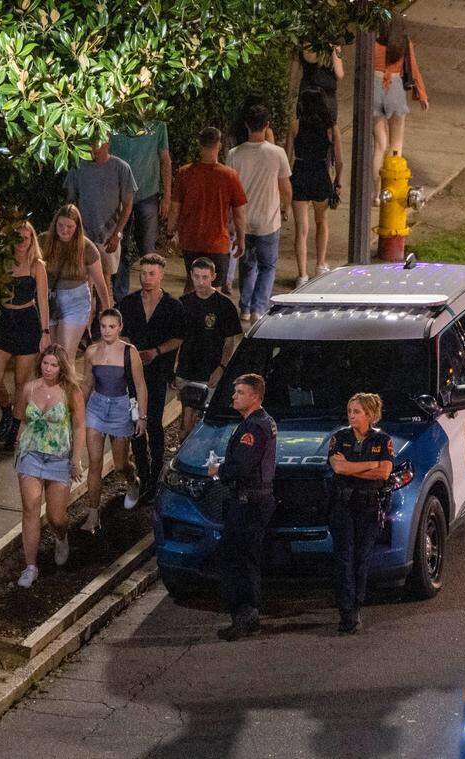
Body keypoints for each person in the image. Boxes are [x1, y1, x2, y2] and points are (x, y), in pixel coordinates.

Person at [207, 374, 277, 641]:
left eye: (239, 392)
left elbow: (243, 467)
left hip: (248, 502)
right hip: (255, 500)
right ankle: (248, 615)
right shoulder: (262, 422)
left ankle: (244, 616)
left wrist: (218, 469)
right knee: (245, 559)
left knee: (238, 561)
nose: (234, 396)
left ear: (255, 397)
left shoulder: (253, 428)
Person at [14, 345, 86, 588]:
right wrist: (18, 444)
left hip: (58, 459)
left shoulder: (70, 391)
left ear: (62, 367)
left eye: (54, 365)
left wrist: (76, 459)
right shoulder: (29, 388)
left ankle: (61, 537)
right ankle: (31, 566)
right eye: (45, 363)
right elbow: (23, 420)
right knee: (30, 508)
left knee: (57, 517)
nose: (48, 368)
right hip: (31, 455)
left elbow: (78, 426)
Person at [118, 254, 187, 493]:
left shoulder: (172, 306)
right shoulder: (128, 304)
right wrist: (133, 352)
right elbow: (121, 332)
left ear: (161, 275)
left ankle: (157, 471)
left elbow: (179, 337)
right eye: (143, 273)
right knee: (136, 421)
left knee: (154, 422)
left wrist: (157, 352)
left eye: (151, 273)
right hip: (133, 373)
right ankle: (144, 473)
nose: (146, 278)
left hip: (158, 371)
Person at [328, 393, 394, 634]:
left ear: (369, 414)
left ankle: (357, 605)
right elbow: (337, 466)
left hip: (368, 506)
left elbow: (384, 473)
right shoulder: (339, 438)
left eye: (356, 411)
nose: (351, 416)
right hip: (343, 506)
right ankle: (346, 612)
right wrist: (370, 465)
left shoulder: (383, 440)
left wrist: (350, 468)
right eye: (349, 411)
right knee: (344, 559)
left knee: (361, 559)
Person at [81, 309, 148, 532]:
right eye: (103, 326)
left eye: (112, 326)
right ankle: (92, 514)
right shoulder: (91, 352)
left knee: (120, 464)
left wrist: (142, 417)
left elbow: (140, 386)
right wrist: (77, 412)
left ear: (120, 327)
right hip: (97, 408)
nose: (107, 330)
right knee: (95, 464)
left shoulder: (130, 352)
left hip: (120, 409)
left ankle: (133, 481)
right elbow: (87, 384)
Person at [227, 104, 292, 322]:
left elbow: (229, 191)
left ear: (246, 125)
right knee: (267, 266)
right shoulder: (277, 154)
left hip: (243, 221)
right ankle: (259, 307)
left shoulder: (234, 155)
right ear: (267, 126)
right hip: (268, 221)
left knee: (247, 265)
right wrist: (285, 208)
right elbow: (286, 188)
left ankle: (244, 307)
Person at [0, 221, 51, 449]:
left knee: (21, 381)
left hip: (27, 321)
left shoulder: (37, 265)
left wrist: (45, 332)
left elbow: (43, 301)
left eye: (26, 238)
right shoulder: (2, 262)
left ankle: (15, 427)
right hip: (4, 320)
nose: (22, 242)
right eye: (18, 237)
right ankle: (6, 409)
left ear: (32, 239)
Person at [168, 127, 248, 292]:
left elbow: (175, 208)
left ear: (199, 144)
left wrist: (171, 233)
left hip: (191, 240)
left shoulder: (184, 173)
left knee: (191, 284)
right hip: (217, 242)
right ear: (219, 145)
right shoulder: (229, 176)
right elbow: (239, 214)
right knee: (215, 288)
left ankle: (187, 316)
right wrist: (241, 239)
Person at [176, 258, 243, 438]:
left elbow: (230, 341)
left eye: (205, 277)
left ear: (213, 276)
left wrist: (222, 367)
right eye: (197, 277)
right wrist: (175, 369)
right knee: (186, 420)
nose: (201, 282)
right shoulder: (183, 303)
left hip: (211, 371)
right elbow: (177, 338)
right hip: (187, 370)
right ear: (191, 276)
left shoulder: (225, 305)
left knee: (209, 420)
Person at [65, 141, 137, 300]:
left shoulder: (121, 168)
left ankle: (106, 318)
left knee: (105, 280)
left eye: (94, 144)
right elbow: (70, 202)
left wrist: (117, 234)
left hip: (108, 233)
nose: (91, 148)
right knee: (84, 281)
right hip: (84, 233)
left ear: (106, 143)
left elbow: (127, 205)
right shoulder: (77, 167)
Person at [110, 122, 171, 300]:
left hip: (147, 193)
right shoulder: (117, 119)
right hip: (119, 194)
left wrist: (167, 195)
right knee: (119, 246)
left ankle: (150, 295)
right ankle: (121, 297)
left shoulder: (157, 123)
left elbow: (165, 158)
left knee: (148, 249)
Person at [39, 204, 112, 357]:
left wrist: (106, 311)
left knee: (65, 354)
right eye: (61, 225)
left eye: (70, 226)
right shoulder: (43, 240)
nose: (65, 230)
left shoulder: (87, 248)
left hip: (75, 301)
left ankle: (67, 380)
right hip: (50, 299)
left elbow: (100, 283)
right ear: (55, 224)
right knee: (50, 353)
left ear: (77, 227)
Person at [290, 88, 343, 287]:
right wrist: (337, 180)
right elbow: (339, 160)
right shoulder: (331, 128)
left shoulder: (296, 125)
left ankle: (302, 274)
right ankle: (320, 264)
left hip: (301, 172)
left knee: (301, 229)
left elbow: (288, 156)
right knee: (321, 221)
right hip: (320, 173)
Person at [373, 17, 429, 197]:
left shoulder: (373, 42)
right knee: (396, 143)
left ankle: (377, 195)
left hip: (375, 87)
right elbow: (414, 68)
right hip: (395, 88)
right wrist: (422, 95)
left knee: (380, 145)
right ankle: (392, 189)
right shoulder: (403, 42)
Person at [298, 45, 345, 127]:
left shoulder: (304, 43)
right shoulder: (332, 46)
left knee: (305, 128)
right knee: (328, 130)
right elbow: (339, 74)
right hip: (326, 93)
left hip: (306, 92)